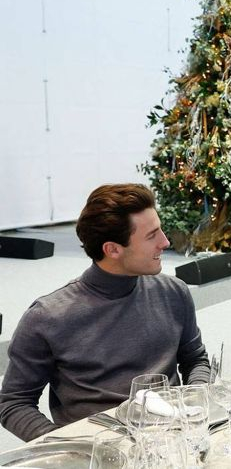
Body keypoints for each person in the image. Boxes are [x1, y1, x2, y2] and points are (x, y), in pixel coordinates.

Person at [0, 184, 210, 442]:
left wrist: (195, 401)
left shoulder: (173, 292)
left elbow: (195, 359)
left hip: (172, 441)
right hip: (95, 450)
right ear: (112, 249)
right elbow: (14, 403)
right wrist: (65, 445)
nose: (165, 242)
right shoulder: (48, 316)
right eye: (151, 236)